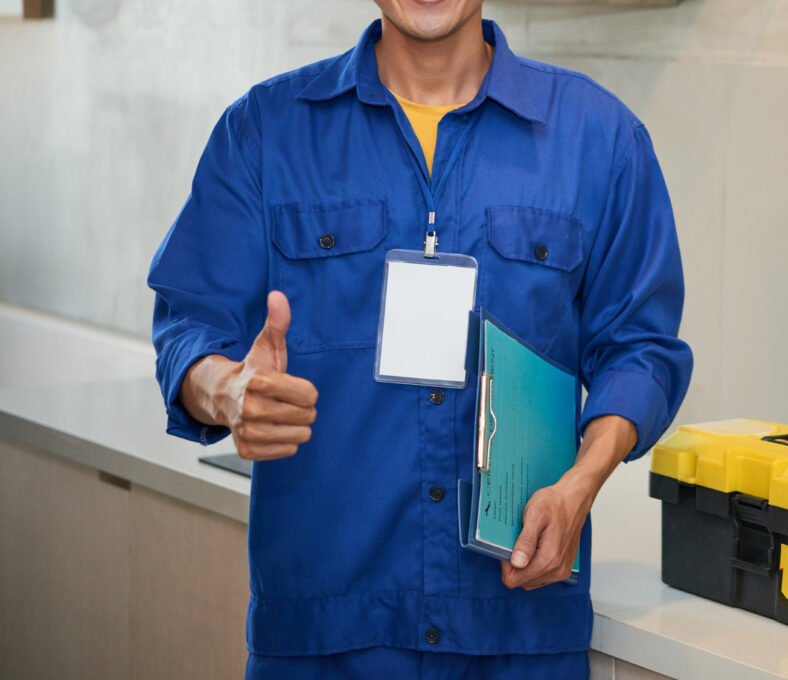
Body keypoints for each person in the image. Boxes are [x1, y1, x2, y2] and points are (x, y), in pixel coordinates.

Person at [148, 0, 692, 676]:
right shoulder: (265, 131)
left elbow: (640, 345)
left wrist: (584, 480)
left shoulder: (600, 139)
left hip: (519, 631)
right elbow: (188, 327)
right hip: (324, 636)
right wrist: (226, 391)